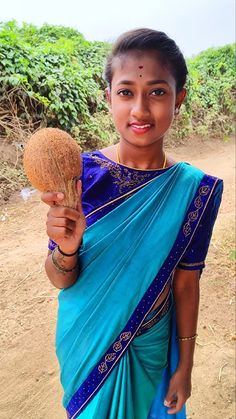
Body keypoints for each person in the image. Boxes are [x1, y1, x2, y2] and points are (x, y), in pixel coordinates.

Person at [41, 28, 223, 419]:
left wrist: (185, 366)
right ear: (108, 98)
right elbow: (60, 278)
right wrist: (68, 248)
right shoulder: (81, 175)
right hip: (87, 343)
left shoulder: (195, 191)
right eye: (126, 92)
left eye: (157, 92)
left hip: (151, 342)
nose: (140, 109)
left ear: (180, 100)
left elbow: (187, 283)